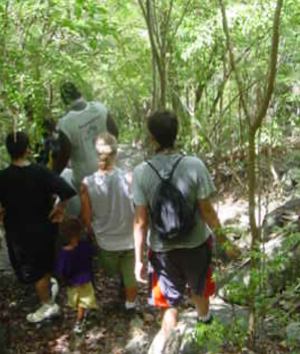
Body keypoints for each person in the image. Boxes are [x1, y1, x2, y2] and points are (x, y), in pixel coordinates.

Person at [131, 111, 240, 352]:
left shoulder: (141, 172)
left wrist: (138, 259)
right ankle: (206, 333)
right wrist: (226, 242)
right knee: (200, 290)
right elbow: (208, 212)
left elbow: (140, 221)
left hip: (161, 252)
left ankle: (169, 344)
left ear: (152, 138)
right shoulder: (194, 165)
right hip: (196, 245)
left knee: (170, 305)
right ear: (176, 134)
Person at [0, 131, 76, 323]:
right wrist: (60, 208)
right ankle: (48, 292)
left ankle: (47, 306)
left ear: (9, 151)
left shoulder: (0, 178)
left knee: (35, 272)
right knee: (43, 267)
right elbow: (67, 191)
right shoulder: (41, 172)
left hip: (19, 235)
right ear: (27, 150)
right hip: (45, 229)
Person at [80, 132, 138, 312]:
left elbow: (87, 218)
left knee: (110, 271)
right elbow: (138, 209)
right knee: (129, 274)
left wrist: (92, 233)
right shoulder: (129, 178)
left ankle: (113, 295)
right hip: (128, 238)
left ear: (96, 155)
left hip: (105, 241)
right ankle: (130, 306)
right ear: (116, 153)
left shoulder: (87, 183)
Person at [52, 82, 119, 190]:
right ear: (80, 93)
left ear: (64, 101)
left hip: (85, 179)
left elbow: (64, 155)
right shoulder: (99, 108)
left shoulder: (65, 123)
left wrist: (52, 176)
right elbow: (115, 132)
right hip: (107, 168)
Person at [56, 217, 98, 334]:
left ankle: (79, 321)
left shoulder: (63, 253)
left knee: (78, 302)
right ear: (80, 232)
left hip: (72, 282)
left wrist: (62, 278)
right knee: (83, 301)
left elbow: (60, 270)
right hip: (86, 279)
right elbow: (94, 252)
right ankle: (82, 318)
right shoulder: (85, 246)